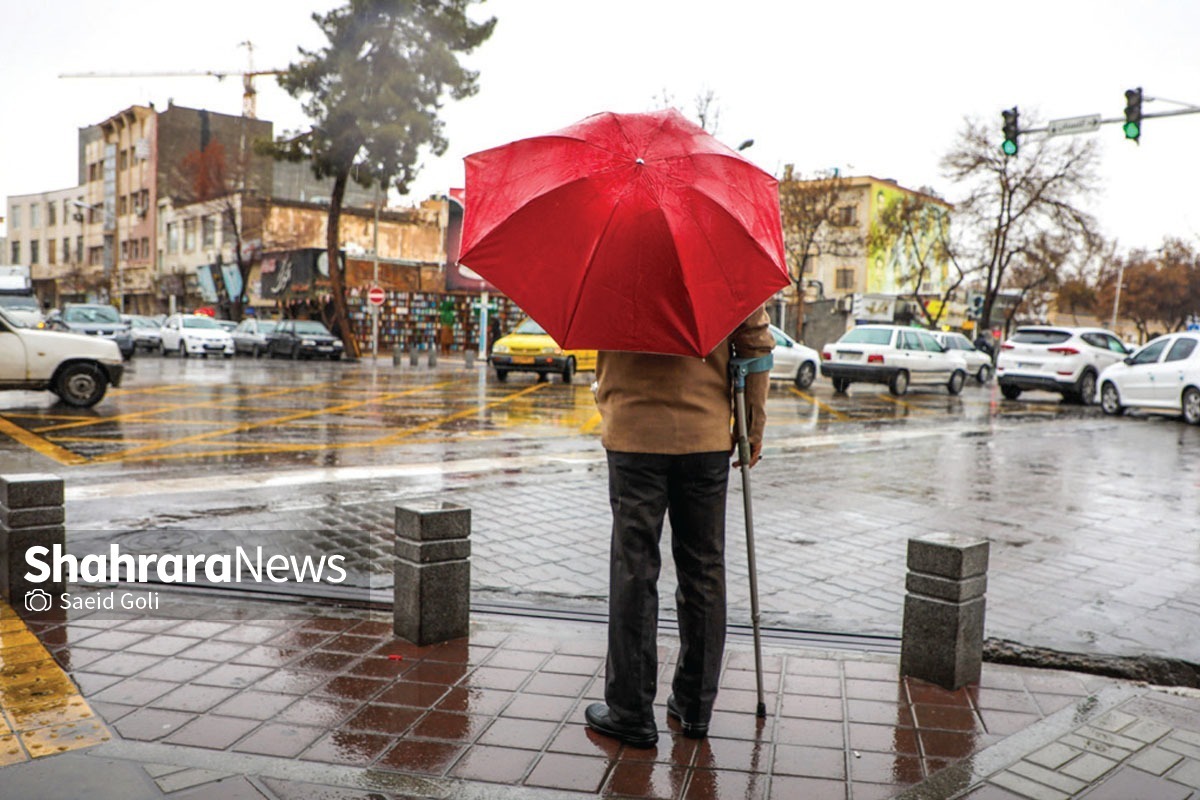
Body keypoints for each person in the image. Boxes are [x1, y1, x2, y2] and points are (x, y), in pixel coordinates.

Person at [584, 307, 773, 748]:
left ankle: (629, 711)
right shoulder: (722, 251)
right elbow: (756, 344)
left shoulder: (608, 250)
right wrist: (753, 426)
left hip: (634, 432)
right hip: (705, 436)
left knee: (634, 570)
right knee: (704, 569)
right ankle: (694, 707)